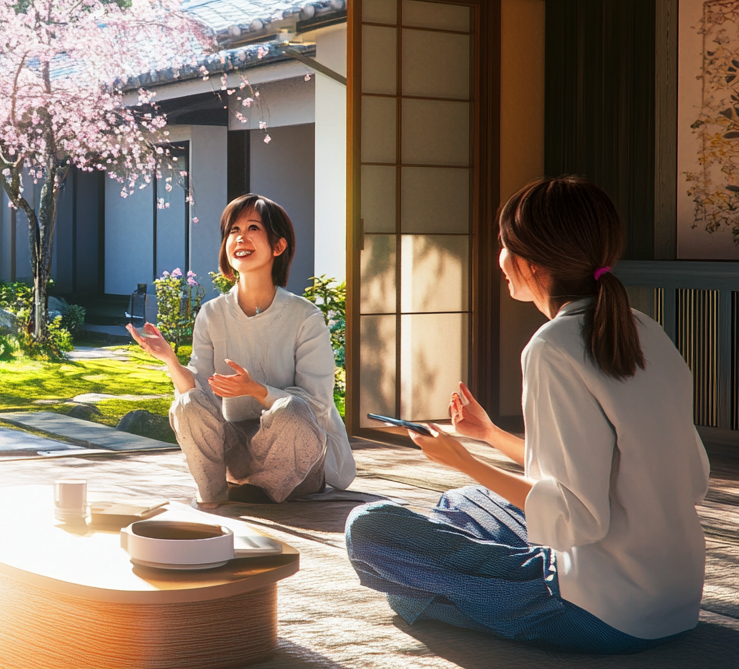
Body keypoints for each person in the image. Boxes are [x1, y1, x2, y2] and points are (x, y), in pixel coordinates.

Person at [345, 176, 711, 653]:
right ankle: (458, 587)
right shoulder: (644, 330)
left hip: (602, 612)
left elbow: (576, 519)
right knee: (464, 504)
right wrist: (489, 434)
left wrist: (462, 458)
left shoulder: (552, 347)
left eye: (503, 244)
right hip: (676, 598)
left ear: (531, 262)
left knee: (370, 528)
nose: (499, 258)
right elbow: (655, 474)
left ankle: (439, 596)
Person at [128, 194, 355, 507]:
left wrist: (258, 391)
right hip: (238, 451)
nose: (240, 237)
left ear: (278, 246)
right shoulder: (211, 313)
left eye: (253, 228)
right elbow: (200, 397)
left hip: (298, 458)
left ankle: (264, 493)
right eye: (233, 230)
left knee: (292, 410)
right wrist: (169, 359)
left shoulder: (306, 317)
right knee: (187, 404)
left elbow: (316, 406)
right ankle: (211, 497)